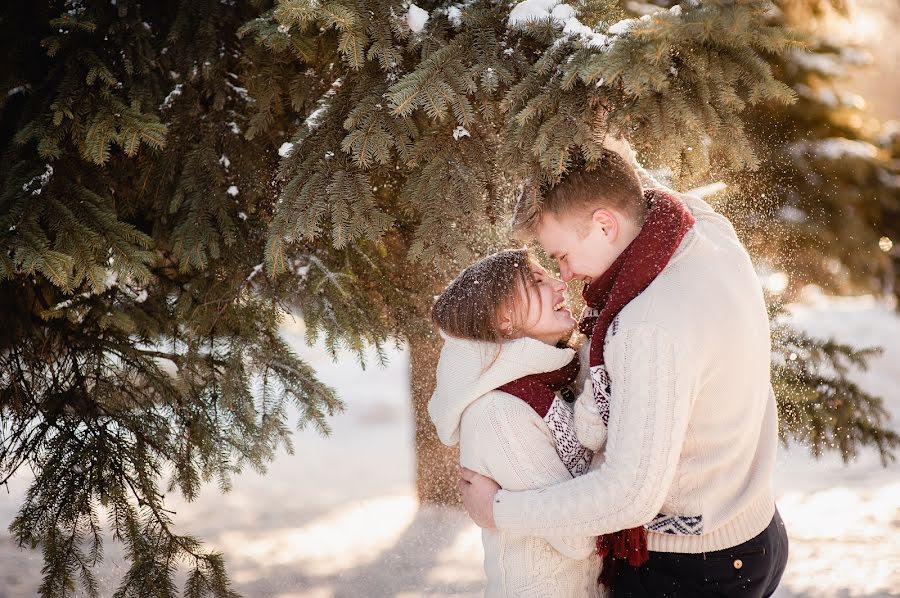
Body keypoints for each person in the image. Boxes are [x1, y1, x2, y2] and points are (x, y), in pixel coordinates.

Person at [457, 144, 789, 597]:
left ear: (604, 225)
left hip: (687, 570)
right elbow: (635, 187)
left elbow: (629, 495)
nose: (565, 275)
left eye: (561, 255)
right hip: (754, 531)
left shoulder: (646, 329)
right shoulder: (701, 225)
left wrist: (500, 512)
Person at [428, 249, 606, 597]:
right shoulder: (498, 413)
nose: (559, 283)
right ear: (503, 318)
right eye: (538, 281)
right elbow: (578, 537)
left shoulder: (552, 383)